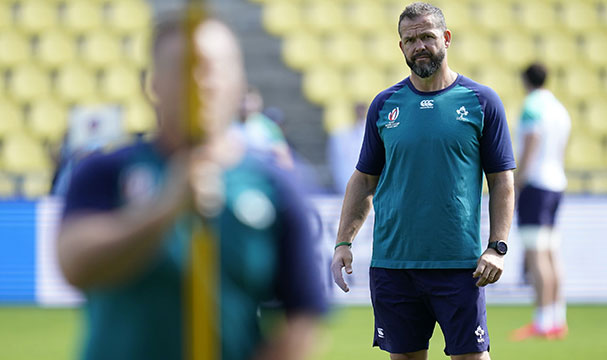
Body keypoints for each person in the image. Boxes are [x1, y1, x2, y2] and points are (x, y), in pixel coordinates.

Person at [56, 14, 326, 360]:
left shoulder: (276, 185)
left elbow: (303, 320)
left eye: (216, 68)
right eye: (185, 68)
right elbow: (75, 264)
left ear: (240, 81)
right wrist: (165, 207)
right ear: (153, 84)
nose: (203, 81)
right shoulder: (105, 171)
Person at [330, 3, 515, 360]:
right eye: (410, 39)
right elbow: (364, 180)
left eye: (427, 36)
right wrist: (343, 242)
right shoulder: (385, 105)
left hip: (460, 267)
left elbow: (502, 182)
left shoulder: (481, 101)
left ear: (446, 38)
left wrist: (498, 246)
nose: (419, 46)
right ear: (401, 47)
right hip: (393, 267)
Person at [510, 63, 571, 341]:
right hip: (556, 182)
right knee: (551, 253)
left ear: (526, 81)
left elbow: (532, 138)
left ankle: (543, 320)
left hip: (536, 184)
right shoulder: (559, 108)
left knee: (536, 255)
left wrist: (519, 179)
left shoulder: (532, 105)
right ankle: (557, 318)